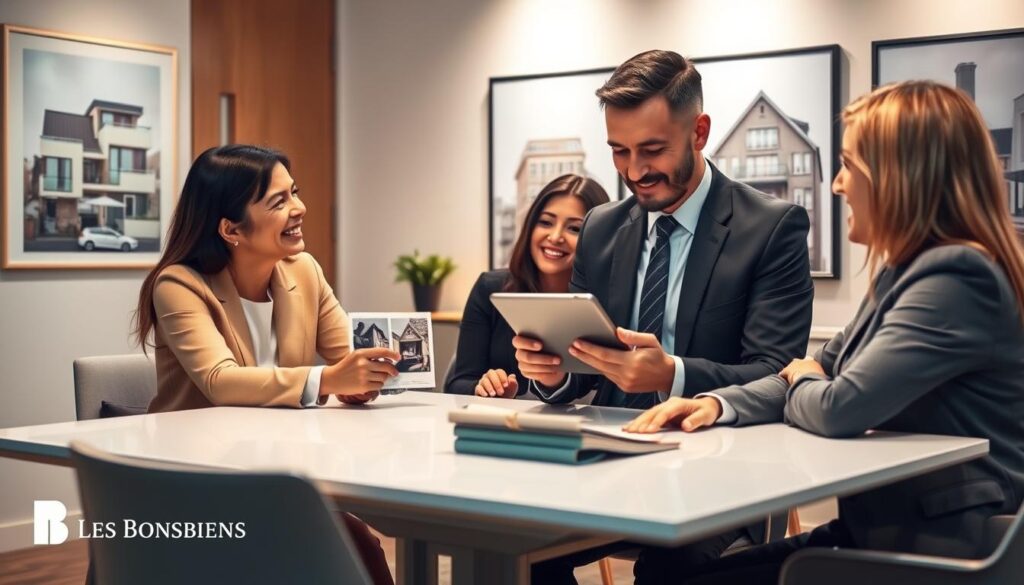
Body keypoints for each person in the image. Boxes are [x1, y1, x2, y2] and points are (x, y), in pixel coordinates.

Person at [625, 80, 1024, 584]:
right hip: (879, 534)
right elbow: (819, 374)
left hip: (938, 554)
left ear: (902, 177)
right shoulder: (907, 273)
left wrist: (807, 379)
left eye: (849, 166)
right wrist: (718, 404)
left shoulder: (955, 278)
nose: (836, 184)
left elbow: (838, 407)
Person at [514, 50, 815, 583]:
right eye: (619, 151)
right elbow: (584, 369)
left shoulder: (771, 228)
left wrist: (672, 374)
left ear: (699, 132)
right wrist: (555, 373)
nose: (634, 171)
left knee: (666, 570)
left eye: (652, 150)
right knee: (512, 544)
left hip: (720, 466)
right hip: (608, 456)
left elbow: (778, 371)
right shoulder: (603, 228)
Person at [133, 145, 397, 585]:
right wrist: (331, 379)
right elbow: (220, 381)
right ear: (231, 229)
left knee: (359, 548)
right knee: (341, 548)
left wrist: (362, 380)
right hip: (196, 485)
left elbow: (344, 356)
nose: (300, 208)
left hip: (276, 480)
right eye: (279, 202)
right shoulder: (178, 284)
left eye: (294, 193)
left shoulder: (304, 271)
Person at [444, 174, 610, 397]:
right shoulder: (490, 288)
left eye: (575, 229)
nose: (555, 236)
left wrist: (554, 379)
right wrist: (484, 388)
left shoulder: (607, 301)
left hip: (576, 427)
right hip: (499, 426)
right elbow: (457, 383)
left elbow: (597, 384)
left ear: (597, 238)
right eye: (545, 222)